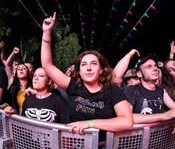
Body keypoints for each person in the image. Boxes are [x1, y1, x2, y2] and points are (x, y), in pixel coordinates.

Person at [41, 12, 133, 144]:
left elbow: (127, 122)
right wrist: (46, 32)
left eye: (93, 64)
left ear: (101, 70)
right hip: (74, 144)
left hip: (102, 145)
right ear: (79, 71)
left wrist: (89, 123)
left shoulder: (112, 91)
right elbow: (47, 65)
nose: (88, 68)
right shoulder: (72, 85)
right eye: (84, 64)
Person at [123, 53, 175, 124]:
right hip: (138, 134)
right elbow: (126, 117)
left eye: (155, 65)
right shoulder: (132, 90)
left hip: (157, 134)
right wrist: (163, 116)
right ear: (139, 74)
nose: (155, 69)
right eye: (149, 67)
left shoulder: (161, 90)